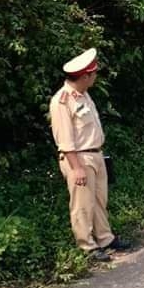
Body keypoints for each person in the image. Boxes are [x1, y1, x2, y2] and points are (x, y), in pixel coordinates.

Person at [49, 48, 130, 262]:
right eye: (93, 74)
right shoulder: (62, 101)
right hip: (79, 158)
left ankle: (105, 238)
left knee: (99, 200)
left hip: (95, 154)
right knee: (82, 205)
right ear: (85, 76)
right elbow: (65, 139)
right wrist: (76, 168)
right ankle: (87, 245)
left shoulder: (84, 95)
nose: (95, 77)